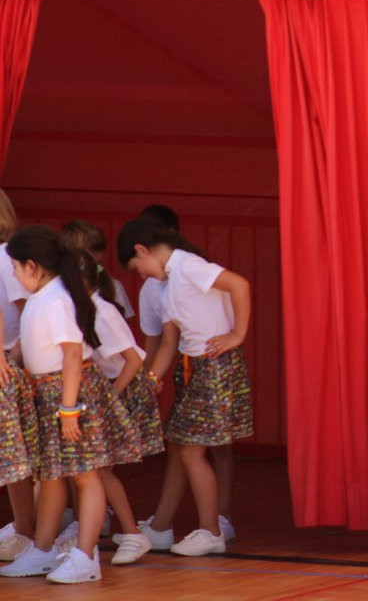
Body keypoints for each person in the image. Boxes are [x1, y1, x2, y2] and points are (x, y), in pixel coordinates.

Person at [0, 226, 141, 583]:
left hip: (68, 395)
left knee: (85, 474)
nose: (13, 275)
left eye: (16, 267)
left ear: (32, 266)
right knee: (52, 474)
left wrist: (69, 408)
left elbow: (73, 354)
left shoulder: (58, 299)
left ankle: (85, 555)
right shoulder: (40, 298)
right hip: (48, 394)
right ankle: (44, 550)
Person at [117, 217, 253, 557]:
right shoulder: (170, 280)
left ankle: (211, 531)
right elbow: (167, 344)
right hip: (195, 369)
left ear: (142, 249)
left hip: (214, 368)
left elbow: (240, 285)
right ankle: (161, 528)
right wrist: (149, 382)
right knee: (179, 446)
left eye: (139, 268)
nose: (143, 276)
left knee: (192, 451)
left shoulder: (188, 266)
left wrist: (237, 334)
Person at [81, 252, 163, 565]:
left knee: (100, 469)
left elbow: (134, 359)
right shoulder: (83, 307)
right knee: (96, 469)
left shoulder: (100, 312)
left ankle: (132, 533)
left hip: (123, 390)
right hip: (111, 391)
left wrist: (111, 397)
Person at [0, 190, 37, 563]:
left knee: (13, 455)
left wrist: (13, 354)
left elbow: (28, 310)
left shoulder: (6, 258)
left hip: (10, 367)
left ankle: (26, 528)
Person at [58, 220, 135, 319]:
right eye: (85, 264)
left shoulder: (113, 286)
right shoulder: (51, 288)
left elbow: (124, 324)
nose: (93, 270)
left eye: (97, 264)